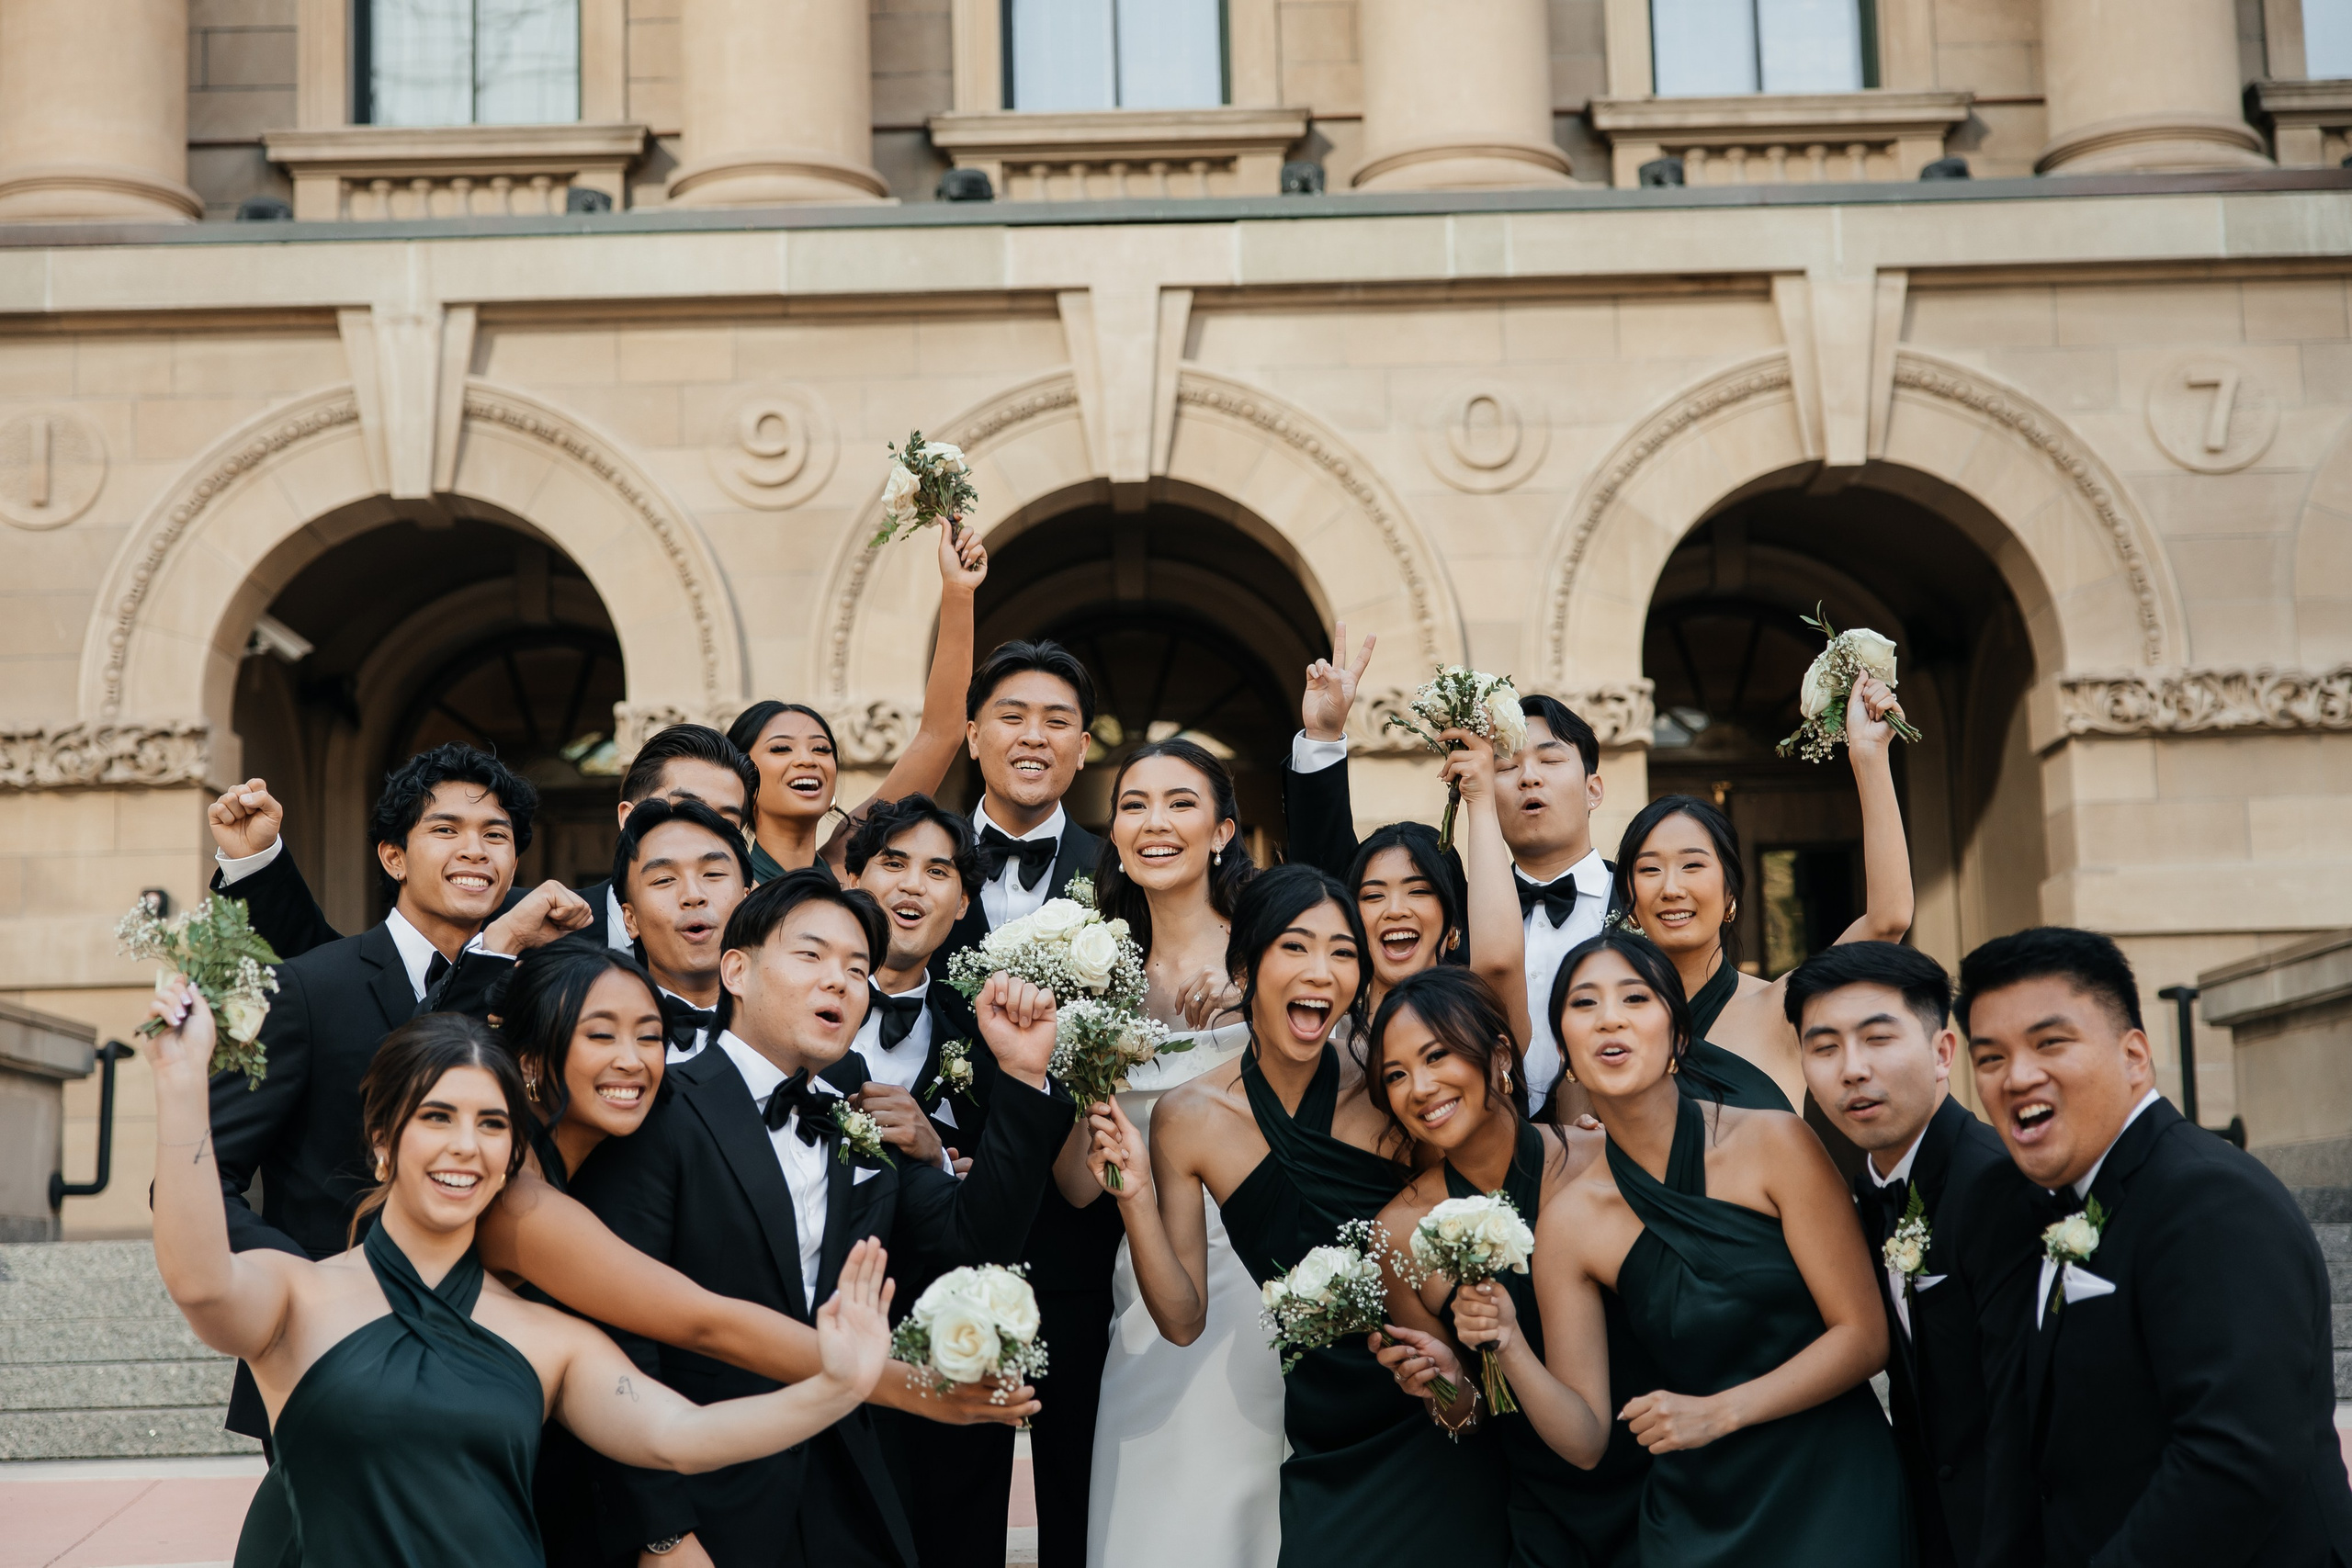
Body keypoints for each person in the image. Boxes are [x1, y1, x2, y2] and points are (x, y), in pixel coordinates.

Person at [146, 982, 896, 1568]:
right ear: (384, 1139)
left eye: (492, 1123)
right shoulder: (293, 1293)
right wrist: (181, 1090)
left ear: (512, 1154)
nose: (465, 1146)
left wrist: (838, 1385)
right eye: (436, 1117)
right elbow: (203, 1284)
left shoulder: (550, 1338)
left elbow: (683, 1435)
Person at [568, 868, 1077, 1568]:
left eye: (858, 967)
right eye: (811, 955)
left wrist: (1021, 1073)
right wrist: (660, 1532)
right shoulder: (663, 1114)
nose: (840, 980)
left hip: (852, 1497)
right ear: (737, 970)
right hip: (710, 1503)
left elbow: (973, 1238)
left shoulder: (852, 1111)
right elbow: (623, 1341)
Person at [1086, 864, 1509, 1568]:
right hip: (1321, 1424)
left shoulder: (1388, 1087)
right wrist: (1134, 1198)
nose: (1323, 971)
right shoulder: (1186, 1118)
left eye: (1344, 951)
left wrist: (1468, 1386)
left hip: (1434, 1404)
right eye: (1297, 946)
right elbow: (1183, 1319)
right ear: (1246, 966)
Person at [1465, 931, 1909, 1567]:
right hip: (1696, 1515)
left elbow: (1865, 1336)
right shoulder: (1570, 1222)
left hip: (1832, 1481)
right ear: (1565, 1050)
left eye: (1635, 997)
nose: (1610, 1017)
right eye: (1584, 1004)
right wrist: (1508, 1342)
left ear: (1678, 1038)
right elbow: (1587, 1438)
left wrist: (1719, 1413)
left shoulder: (1775, 1143)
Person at [201, 742, 589, 1446]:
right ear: (392, 858)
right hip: (324, 1364)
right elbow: (201, 1175)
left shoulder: (544, 1002)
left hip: (497, 1359)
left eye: (495, 835)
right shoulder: (311, 988)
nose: (475, 849)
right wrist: (300, 1291)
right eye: (445, 829)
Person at [1960, 927, 2352, 1568]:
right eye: (1990, 1057)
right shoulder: (2053, 1199)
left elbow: (2237, 1455)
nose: (2017, 1075)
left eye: (2049, 1042)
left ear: (2135, 1054)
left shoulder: (2209, 1198)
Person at [1080, 739, 1284, 1568]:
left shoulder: (1272, 960)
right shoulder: (1092, 977)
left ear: (1223, 831)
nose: (1153, 821)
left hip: (1265, 1279)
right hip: (1147, 1282)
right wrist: (1083, 1065)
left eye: (1180, 802)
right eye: (1133, 804)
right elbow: (1073, 1186)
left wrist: (1256, 1006)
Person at [1363, 966, 1639, 1568]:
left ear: (1499, 1057)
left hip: (1669, 1478)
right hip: (1545, 1513)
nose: (1421, 1086)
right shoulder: (1399, 1234)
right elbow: (1472, 1415)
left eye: (1438, 1055)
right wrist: (1443, 1384)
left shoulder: (1605, 1158)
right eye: (1396, 1074)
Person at [930, 637, 1107, 1568]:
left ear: (1083, 746)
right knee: (944, 1500)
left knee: (1084, 1496)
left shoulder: (1120, 872)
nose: (1032, 737)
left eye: (1056, 721)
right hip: (942, 1222)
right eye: (1011, 715)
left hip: (1083, 1234)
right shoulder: (913, 866)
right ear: (970, 735)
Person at [1283, 624, 1613, 1113]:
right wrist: (1323, 738)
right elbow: (1331, 884)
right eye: (1504, 766)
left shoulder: (1644, 899)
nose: (1527, 777)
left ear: (1594, 790)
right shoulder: (1455, 911)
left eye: (1550, 760)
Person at [1788, 942, 2043, 1568]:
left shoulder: (1999, 1187)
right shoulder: (1864, 1191)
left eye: (1877, 1039)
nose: (1852, 1069)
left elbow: (2028, 1411)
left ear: (1942, 1053)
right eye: (1824, 1048)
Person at [1609, 675, 1911, 1114]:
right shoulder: (1608, 1023)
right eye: (1650, 869)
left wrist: (1868, 754)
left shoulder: (1783, 1008)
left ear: (1731, 894)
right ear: (1630, 900)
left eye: (1693, 865)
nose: (1671, 888)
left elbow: (1888, 919)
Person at [839, 794, 1009, 1568]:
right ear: (852, 877)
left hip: (946, 1348)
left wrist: (935, 1154)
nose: (912, 886)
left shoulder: (993, 1034)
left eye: (937, 871)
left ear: (963, 902)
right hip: (808, 1341)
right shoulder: (784, 1014)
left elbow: (1005, 1193)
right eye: (892, 863)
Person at [727, 522, 988, 882]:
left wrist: (958, 590)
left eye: (821, 749)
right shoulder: (722, 883)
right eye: (781, 749)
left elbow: (940, 735)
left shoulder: (845, 864)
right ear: (742, 778)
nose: (807, 760)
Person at [1345, 726, 1532, 1055]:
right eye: (1373, 896)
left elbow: (1500, 962)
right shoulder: (1318, 1037)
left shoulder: (1478, 1023)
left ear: (1453, 927)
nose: (1395, 910)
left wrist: (1480, 800)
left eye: (1418, 891)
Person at [576, 725, 759, 950]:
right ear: (629, 817)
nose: (702, 833)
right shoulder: (543, 929)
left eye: (726, 824)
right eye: (683, 810)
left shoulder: (760, 942)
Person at [611, 796, 755, 1062]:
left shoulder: (809, 1039)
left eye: (712, 874)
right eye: (664, 879)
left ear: (747, 900)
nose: (693, 895)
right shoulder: (593, 1039)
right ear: (630, 920)